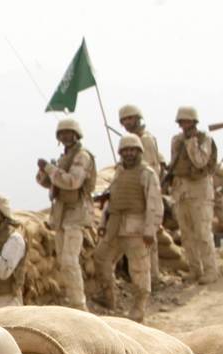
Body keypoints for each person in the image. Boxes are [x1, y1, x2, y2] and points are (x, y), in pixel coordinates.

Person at [93, 134, 162, 320]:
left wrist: (150, 230)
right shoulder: (119, 172)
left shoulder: (147, 174)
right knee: (101, 257)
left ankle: (139, 308)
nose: (129, 154)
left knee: (139, 269)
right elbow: (112, 200)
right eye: (125, 151)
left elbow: (154, 204)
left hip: (136, 228)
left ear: (139, 151)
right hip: (114, 226)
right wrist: (103, 223)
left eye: (132, 150)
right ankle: (108, 296)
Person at [36, 117, 96, 309]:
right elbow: (51, 183)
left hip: (75, 214)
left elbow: (72, 182)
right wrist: (44, 172)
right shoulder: (65, 158)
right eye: (62, 134)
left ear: (76, 135)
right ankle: (73, 300)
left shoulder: (82, 156)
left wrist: (50, 169)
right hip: (62, 214)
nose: (65, 137)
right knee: (63, 261)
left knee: (70, 261)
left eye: (68, 133)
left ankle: (79, 305)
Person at [169, 106, 220, 284]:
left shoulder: (204, 139)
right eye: (182, 121)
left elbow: (200, 162)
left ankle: (211, 270)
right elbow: (174, 165)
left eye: (188, 121)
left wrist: (191, 142)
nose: (185, 124)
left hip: (200, 192)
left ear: (194, 122)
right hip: (181, 192)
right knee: (187, 235)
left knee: (203, 234)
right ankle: (195, 270)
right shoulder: (176, 140)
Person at [118, 103, 165, 283]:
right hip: (135, 192)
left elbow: (151, 168)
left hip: (146, 191)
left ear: (138, 118)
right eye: (124, 120)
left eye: (130, 118)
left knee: (148, 233)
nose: (127, 123)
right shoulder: (132, 140)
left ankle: (153, 277)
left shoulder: (145, 140)